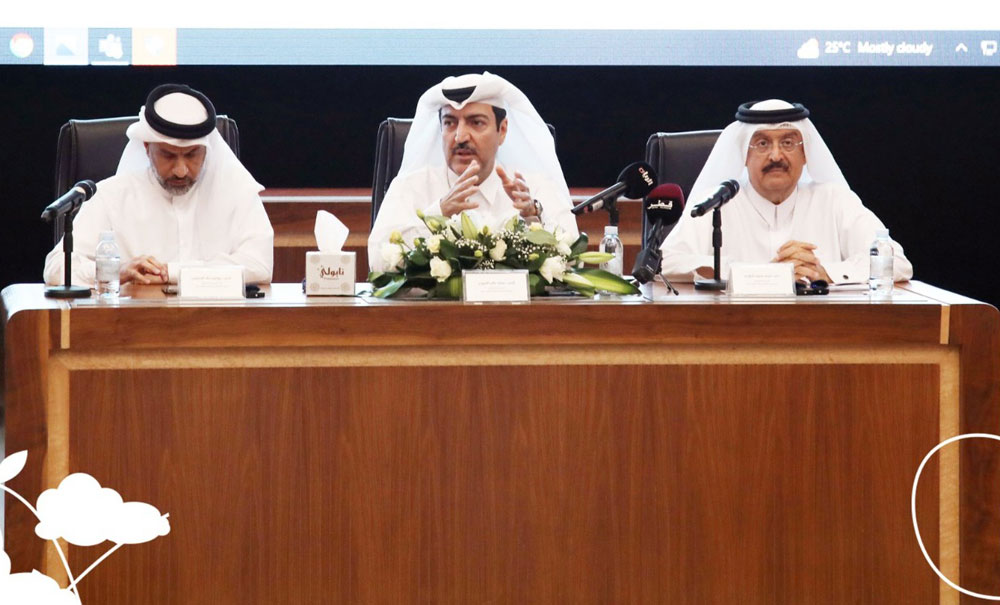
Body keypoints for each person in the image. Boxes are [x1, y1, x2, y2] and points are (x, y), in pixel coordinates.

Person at [44, 83, 273, 287]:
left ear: (207, 148)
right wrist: (117, 271)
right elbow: (56, 268)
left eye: (192, 155)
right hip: (134, 328)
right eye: (169, 156)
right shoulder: (111, 196)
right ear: (147, 147)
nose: (181, 170)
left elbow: (260, 264)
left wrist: (171, 272)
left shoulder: (236, 192)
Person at [660, 99, 912, 284]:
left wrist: (825, 273)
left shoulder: (835, 200)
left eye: (789, 143)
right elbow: (664, 263)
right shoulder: (717, 203)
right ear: (744, 156)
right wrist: (763, 273)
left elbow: (896, 263)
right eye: (762, 143)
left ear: (805, 155)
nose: (776, 155)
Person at [368, 72, 578, 272]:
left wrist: (534, 218)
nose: (460, 137)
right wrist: (437, 215)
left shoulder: (534, 187)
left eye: (476, 122)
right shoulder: (410, 186)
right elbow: (377, 263)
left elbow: (574, 262)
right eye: (449, 123)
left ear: (502, 130)